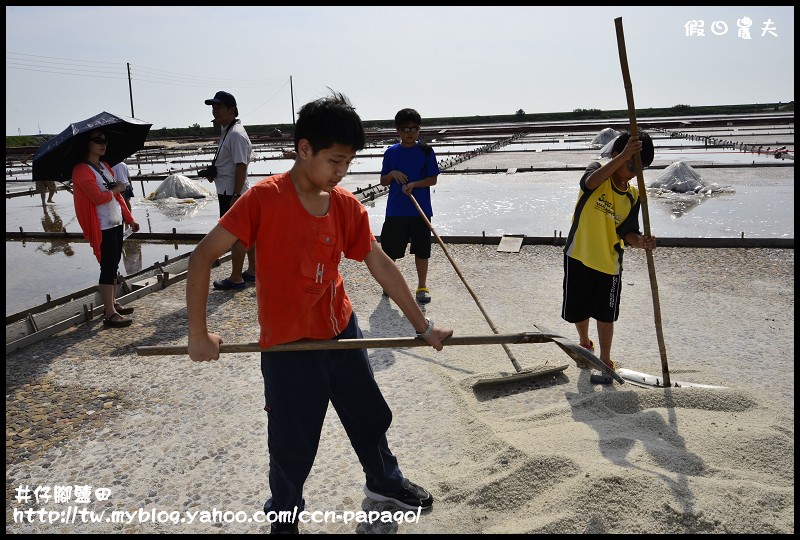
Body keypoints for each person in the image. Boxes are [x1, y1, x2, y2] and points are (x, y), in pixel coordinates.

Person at [186, 91, 454, 534]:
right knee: (292, 443)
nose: (341, 172)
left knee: (369, 415)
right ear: (304, 148)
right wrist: (199, 334)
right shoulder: (264, 200)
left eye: (348, 162)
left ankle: (384, 482)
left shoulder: (344, 204)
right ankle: (285, 517)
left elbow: (380, 263)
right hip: (289, 343)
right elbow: (201, 258)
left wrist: (422, 326)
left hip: (341, 330)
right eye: (334, 160)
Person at [561, 131, 656, 373]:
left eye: (641, 168)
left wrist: (640, 241)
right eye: (632, 164)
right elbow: (588, 183)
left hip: (609, 263)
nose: (635, 172)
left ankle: (605, 358)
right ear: (616, 155)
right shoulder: (598, 171)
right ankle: (584, 342)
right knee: (578, 310)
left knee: (606, 315)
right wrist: (624, 154)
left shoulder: (633, 197)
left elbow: (628, 232)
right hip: (579, 255)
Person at [72, 129, 141, 328]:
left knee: (114, 263)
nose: (103, 144)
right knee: (108, 266)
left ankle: (111, 304)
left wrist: (130, 218)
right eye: (97, 140)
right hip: (102, 226)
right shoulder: (81, 171)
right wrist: (115, 189)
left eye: (105, 140)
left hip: (116, 222)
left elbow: (118, 198)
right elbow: (97, 198)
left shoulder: (104, 166)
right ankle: (109, 313)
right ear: (87, 144)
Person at [378, 108, 440, 304]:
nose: (411, 133)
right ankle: (389, 285)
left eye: (415, 128)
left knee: (422, 250)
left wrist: (414, 184)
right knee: (390, 250)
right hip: (396, 210)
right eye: (406, 129)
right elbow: (383, 181)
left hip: (420, 210)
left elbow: (433, 179)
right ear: (398, 130)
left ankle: (422, 286)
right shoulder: (391, 153)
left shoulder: (426, 151)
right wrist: (393, 173)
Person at [201, 90, 256, 289]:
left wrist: (235, 194)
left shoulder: (235, 134)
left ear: (231, 109)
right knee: (246, 232)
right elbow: (231, 165)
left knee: (236, 234)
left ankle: (236, 277)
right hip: (229, 189)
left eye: (219, 107)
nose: (215, 111)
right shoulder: (228, 131)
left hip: (233, 193)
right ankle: (252, 271)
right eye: (213, 107)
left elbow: (241, 165)